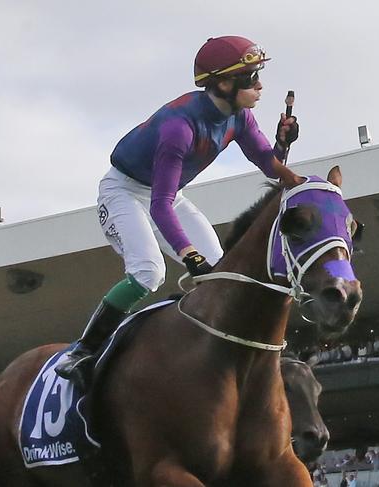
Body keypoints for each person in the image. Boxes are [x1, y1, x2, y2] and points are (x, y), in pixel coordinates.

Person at [55, 35, 303, 388]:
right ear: (223, 83)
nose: (260, 85)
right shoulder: (179, 128)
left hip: (167, 196)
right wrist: (188, 254)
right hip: (124, 192)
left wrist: (285, 153)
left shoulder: (240, 117)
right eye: (251, 78)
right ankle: (82, 350)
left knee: (223, 273)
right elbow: (160, 204)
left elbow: (266, 162)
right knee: (147, 272)